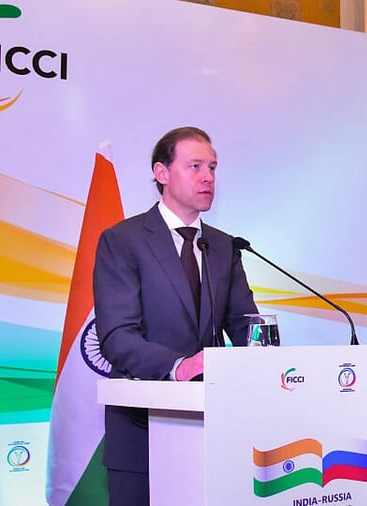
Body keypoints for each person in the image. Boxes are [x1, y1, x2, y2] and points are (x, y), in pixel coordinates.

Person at [93, 126, 259, 505]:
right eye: (195, 166)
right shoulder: (123, 240)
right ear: (162, 173)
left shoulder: (223, 246)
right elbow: (117, 336)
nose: (208, 177)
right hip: (143, 432)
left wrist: (269, 360)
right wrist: (179, 365)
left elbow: (246, 326)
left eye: (213, 167)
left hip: (213, 433)